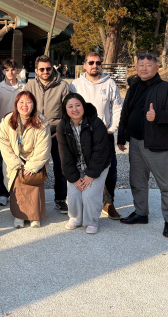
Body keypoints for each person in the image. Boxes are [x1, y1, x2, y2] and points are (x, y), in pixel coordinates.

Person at [117, 54, 168, 238]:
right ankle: (140, 213)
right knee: (137, 181)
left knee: (166, 184)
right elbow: (125, 114)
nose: (144, 68)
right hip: (135, 142)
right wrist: (121, 137)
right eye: (140, 65)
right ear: (136, 67)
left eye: (148, 65)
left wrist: (157, 116)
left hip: (157, 144)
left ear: (157, 68)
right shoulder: (134, 88)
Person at [70, 52, 123, 219]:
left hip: (105, 133)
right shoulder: (76, 85)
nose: (95, 66)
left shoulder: (109, 83)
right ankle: (84, 200)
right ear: (85, 65)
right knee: (83, 168)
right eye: (91, 62)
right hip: (82, 134)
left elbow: (117, 107)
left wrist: (112, 128)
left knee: (110, 170)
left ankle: (108, 203)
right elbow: (70, 107)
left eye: (98, 63)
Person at [57, 93, 111, 235]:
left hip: (97, 165)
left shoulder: (96, 123)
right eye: (70, 106)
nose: (75, 109)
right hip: (76, 166)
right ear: (65, 109)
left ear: (83, 106)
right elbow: (65, 155)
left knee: (89, 194)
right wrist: (74, 177)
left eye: (78, 105)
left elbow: (101, 152)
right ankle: (75, 218)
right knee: (74, 193)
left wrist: (90, 174)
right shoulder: (62, 126)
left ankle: (91, 221)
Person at [0, 91, 51, 229]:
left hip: (34, 160)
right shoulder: (8, 120)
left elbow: (43, 148)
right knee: (18, 186)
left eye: (28, 102)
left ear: (34, 104)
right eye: (21, 102)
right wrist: (16, 164)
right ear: (16, 104)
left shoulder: (42, 122)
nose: (25, 105)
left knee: (34, 187)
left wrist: (31, 167)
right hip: (15, 159)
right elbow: (3, 142)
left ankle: (35, 217)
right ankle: (19, 215)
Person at [24, 55, 71, 214]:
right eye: (42, 69)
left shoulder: (63, 86)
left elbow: (69, 111)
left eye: (48, 69)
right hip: (36, 134)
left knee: (61, 167)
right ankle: (34, 199)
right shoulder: (29, 86)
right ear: (36, 70)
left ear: (53, 68)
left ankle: (61, 199)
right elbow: (23, 108)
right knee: (35, 167)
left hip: (57, 133)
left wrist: (61, 130)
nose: (45, 72)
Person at [0, 58, 25, 206]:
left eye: (13, 69)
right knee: (1, 162)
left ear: (17, 70)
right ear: (3, 71)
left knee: (18, 160)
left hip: (20, 129)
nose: (10, 73)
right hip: (3, 130)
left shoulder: (24, 87)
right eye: (7, 70)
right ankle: (3, 192)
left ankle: (16, 191)